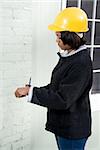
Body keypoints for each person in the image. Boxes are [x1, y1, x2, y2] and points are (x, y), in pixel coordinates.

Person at [15, 7, 93, 150]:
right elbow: (55, 88)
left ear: (70, 35)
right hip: (64, 126)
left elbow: (63, 99)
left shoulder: (80, 63)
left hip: (72, 130)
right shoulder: (70, 57)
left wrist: (30, 92)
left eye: (58, 35)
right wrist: (31, 90)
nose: (56, 40)